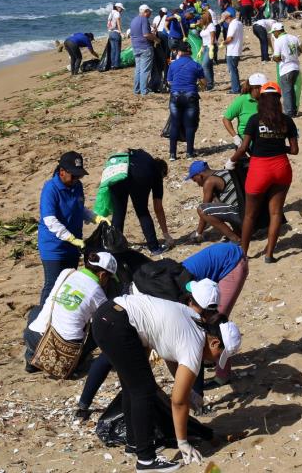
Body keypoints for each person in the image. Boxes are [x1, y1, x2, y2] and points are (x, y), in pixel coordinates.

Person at [91, 293, 241, 471]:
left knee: (132, 387)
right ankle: (146, 460)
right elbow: (178, 402)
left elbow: (170, 350)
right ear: (215, 342)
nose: (216, 361)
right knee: (144, 390)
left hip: (108, 315)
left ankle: (134, 444)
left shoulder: (194, 319)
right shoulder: (194, 345)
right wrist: (183, 442)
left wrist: (189, 391)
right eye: (219, 356)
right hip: (117, 324)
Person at [226, 82, 299, 263]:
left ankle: (243, 252)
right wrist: (278, 146)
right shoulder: (287, 121)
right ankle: (269, 255)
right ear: (278, 99)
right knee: (275, 213)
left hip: (259, 168)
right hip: (281, 167)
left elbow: (243, 148)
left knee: (250, 214)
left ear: (262, 99)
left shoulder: (255, 119)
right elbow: (295, 150)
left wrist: (231, 161)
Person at [23, 252, 118, 373]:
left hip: (32, 337)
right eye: (108, 278)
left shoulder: (67, 273)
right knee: (99, 329)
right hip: (62, 352)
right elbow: (103, 322)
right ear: (102, 275)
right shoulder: (97, 293)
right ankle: (76, 364)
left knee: (36, 311)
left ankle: (31, 357)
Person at [37, 151, 109, 307]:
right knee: (52, 284)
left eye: (79, 176)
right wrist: (70, 238)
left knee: (69, 282)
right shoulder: (50, 189)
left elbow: (79, 208)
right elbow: (50, 220)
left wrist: (95, 217)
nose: (77, 179)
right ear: (62, 172)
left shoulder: (77, 186)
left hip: (74, 246)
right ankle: (42, 319)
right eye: (74, 175)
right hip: (54, 248)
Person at [182, 243, 248, 385]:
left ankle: (222, 377)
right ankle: (210, 358)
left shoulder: (178, 287)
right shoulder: (175, 285)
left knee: (217, 325)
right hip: (224, 257)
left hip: (232, 264)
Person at [109, 149, 173, 256]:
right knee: (142, 212)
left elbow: (125, 150)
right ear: (162, 172)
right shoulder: (156, 174)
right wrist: (166, 234)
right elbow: (158, 208)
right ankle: (154, 248)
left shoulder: (142, 153)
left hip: (117, 172)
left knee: (118, 212)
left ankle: (114, 248)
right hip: (140, 176)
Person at [186, 161, 241, 243]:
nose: (197, 184)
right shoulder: (224, 172)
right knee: (217, 203)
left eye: (195, 180)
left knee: (202, 209)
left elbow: (204, 209)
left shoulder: (209, 182)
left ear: (200, 176)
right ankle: (238, 232)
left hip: (239, 214)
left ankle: (235, 239)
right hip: (247, 212)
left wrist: (198, 233)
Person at [167, 43, 204, 161]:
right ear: (190, 52)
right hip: (190, 95)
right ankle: (189, 153)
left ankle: (172, 154)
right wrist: (198, 84)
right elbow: (204, 82)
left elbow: (169, 82)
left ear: (179, 52)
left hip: (176, 95)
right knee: (190, 125)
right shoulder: (196, 65)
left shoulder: (173, 65)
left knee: (174, 124)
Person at [222, 72, 266, 147]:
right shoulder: (242, 100)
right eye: (264, 88)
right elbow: (226, 119)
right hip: (247, 142)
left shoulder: (267, 99)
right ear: (255, 88)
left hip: (265, 137)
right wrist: (235, 137)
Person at [271, 23, 302, 118]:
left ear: (277, 31)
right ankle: (294, 111)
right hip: (296, 67)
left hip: (286, 68)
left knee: (286, 92)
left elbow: (277, 57)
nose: (273, 34)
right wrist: (295, 52)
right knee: (292, 91)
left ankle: (289, 113)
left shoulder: (278, 41)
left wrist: (274, 58)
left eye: (274, 32)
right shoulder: (294, 37)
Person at [131, 4, 159, 96]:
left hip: (136, 47)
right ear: (145, 12)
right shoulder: (144, 19)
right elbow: (146, 35)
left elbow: (138, 33)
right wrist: (156, 38)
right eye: (149, 12)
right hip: (144, 47)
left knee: (138, 70)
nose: (150, 14)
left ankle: (136, 90)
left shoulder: (134, 20)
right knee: (145, 70)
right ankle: (144, 91)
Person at [220, 11, 244, 95]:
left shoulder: (232, 24)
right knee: (234, 70)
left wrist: (223, 43)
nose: (225, 22)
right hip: (237, 50)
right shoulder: (239, 23)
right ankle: (236, 87)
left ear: (228, 18)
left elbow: (230, 38)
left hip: (232, 51)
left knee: (232, 70)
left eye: (225, 20)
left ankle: (235, 89)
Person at [197, 12, 216, 91]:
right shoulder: (205, 26)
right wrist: (201, 49)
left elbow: (212, 37)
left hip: (209, 47)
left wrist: (211, 47)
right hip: (204, 47)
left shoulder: (211, 26)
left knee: (204, 65)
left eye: (202, 18)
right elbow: (203, 38)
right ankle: (210, 83)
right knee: (209, 66)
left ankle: (209, 84)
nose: (201, 19)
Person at [107, 3, 125, 70]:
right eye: (121, 8)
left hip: (110, 33)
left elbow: (108, 23)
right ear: (117, 7)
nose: (121, 10)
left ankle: (112, 65)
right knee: (117, 50)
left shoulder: (111, 13)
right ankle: (117, 65)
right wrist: (120, 32)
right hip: (116, 33)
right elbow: (118, 22)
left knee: (113, 50)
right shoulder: (117, 13)